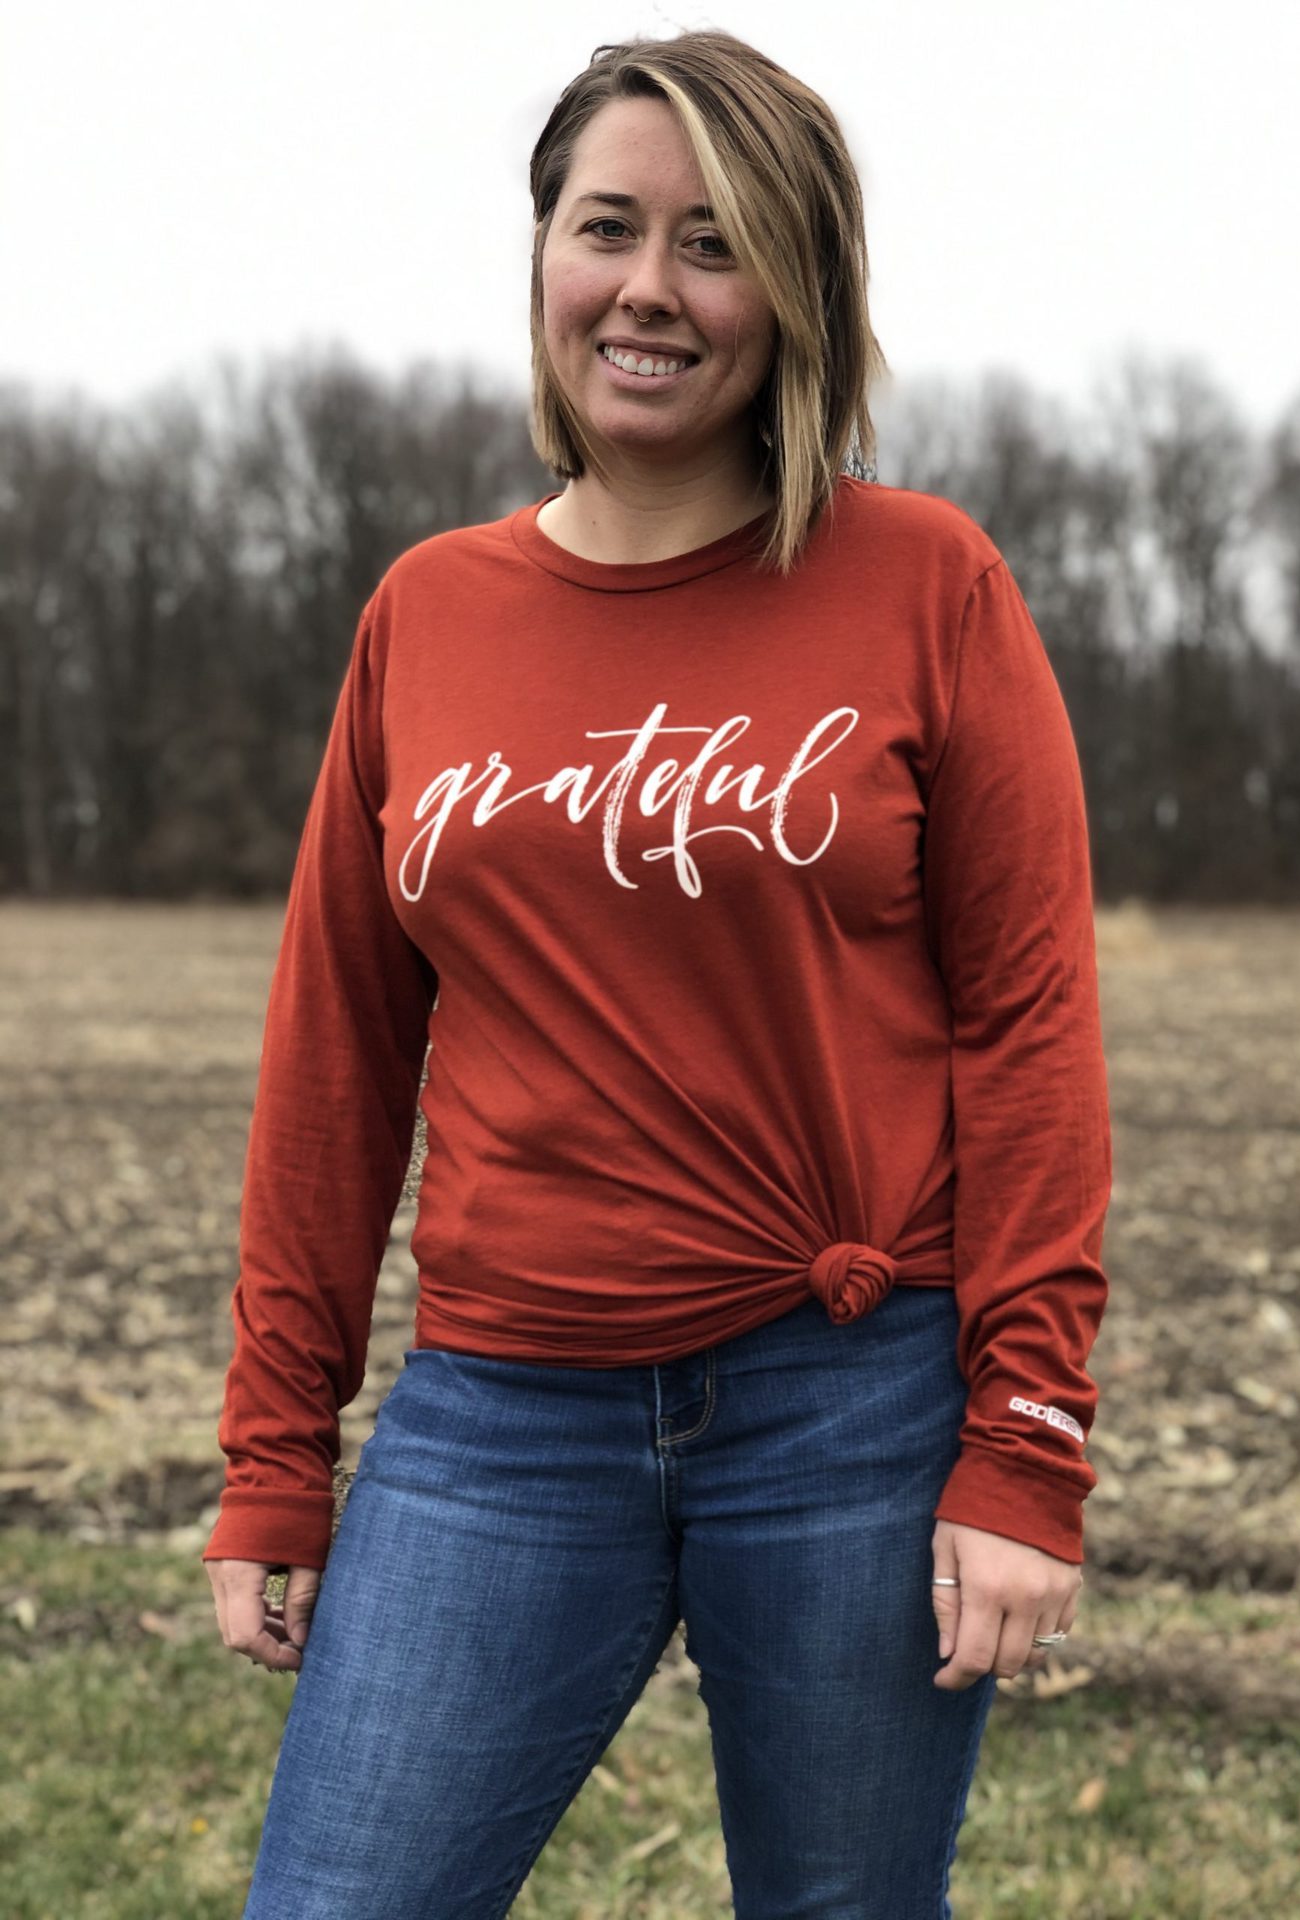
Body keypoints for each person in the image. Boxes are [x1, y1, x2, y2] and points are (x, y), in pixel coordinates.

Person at [203, 27, 1113, 1919]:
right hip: (499, 1412)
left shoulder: (926, 582)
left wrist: (1026, 1446)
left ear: (795, 290)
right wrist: (276, 1448)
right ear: (543, 255)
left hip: (851, 1403)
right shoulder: (428, 614)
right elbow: (337, 1063)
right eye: (607, 227)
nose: (649, 289)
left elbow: (1028, 1032)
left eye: (715, 244)